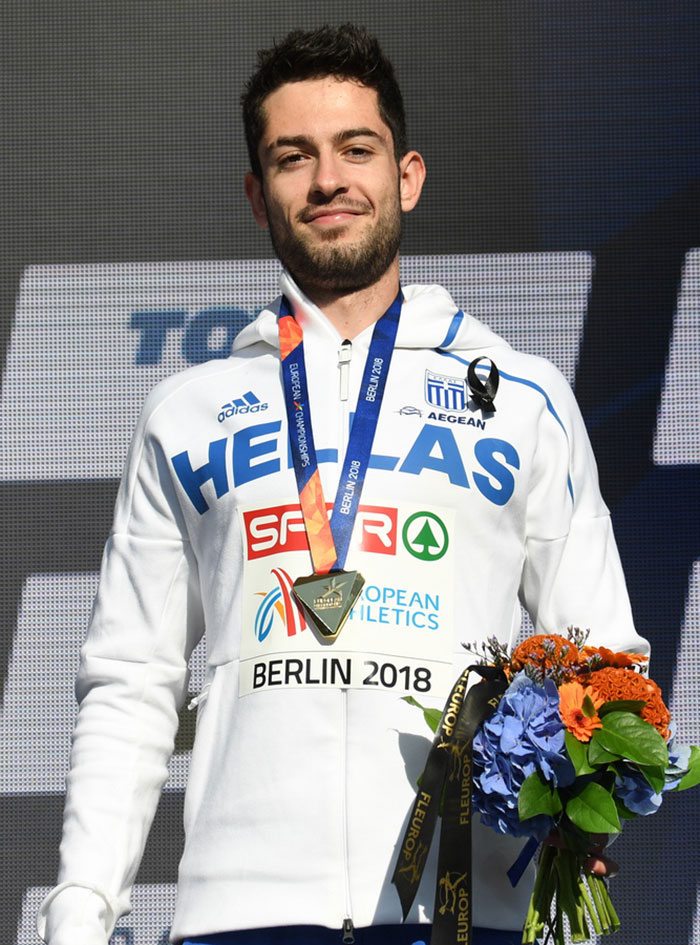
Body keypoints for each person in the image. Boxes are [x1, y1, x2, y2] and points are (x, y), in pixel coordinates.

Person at [37, 23, 647, 945]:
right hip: (241, 913)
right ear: (258, 194)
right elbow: (130, 681)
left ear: (407, 176)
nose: (327, 179)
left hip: (466, 911)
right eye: (294, 157)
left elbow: (603, 658)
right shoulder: (187, 411)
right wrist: (79, 912)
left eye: (356, 149)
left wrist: (584, 810)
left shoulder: (524, 398)